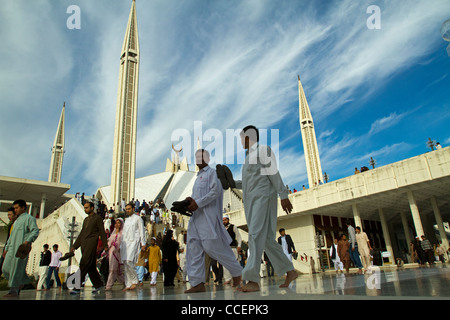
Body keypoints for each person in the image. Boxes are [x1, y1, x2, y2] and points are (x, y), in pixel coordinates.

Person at [234, 126, 297, 292]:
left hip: (263, 199)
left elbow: (273, 173)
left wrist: (283, 195)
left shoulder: (263, 151)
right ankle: (289, 270)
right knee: (267, 239)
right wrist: (231, 183)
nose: (241, 141)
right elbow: (248, 183)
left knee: (254, 235)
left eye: (242, 138)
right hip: (252, 202)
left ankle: (252, 280)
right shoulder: (248, 159)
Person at [184, 149, 243, 293]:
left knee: (211, 247)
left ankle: (237, 271)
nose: (199, 158)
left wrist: (197, 203)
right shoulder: (197, 178)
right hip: (195, 218)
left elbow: (215, 192)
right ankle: (197, 282)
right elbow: (196, 197)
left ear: (208, 159)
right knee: (194, 249)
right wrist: (188, 202)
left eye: (202, 156)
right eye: (197, 156)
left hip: (207, 218)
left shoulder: (212, 173)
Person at [2, 199, 40, 297]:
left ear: (23, 208)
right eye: (14, 208)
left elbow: (35, 231)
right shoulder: (17, 220)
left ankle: (14, 291)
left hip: (21, 249)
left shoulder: (29, 218)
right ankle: (21, 282)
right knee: (5, 268)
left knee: (16, 269)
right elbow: (11, 236)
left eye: (17, 208)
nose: (15, 210)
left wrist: (28, 241)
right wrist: (6, 248)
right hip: (11, 249)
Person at [70, 201, 108, 294]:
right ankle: (99, 285)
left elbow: (102, 232)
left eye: (87, 207)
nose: (85, 209)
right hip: (84, 244)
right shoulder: (86, 220)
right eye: (84, 208)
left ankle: (77, 286)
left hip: (91, 244)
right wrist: (75, 246)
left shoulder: (98, 218)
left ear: (92, 208)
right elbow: (82, 234)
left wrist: (105, 245)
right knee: (90, 267)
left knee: (83, 263)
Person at [120, 202, 146, 291]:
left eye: (129, 209)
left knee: (129, 261)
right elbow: (123, 233)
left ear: (133, 209)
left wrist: (143, 243)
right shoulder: (126, 220)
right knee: (125, 262)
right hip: (125, 243)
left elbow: (142, 231)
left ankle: (135, 281)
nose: (127, 211)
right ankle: (128, 283)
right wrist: (121, 244)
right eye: (126, 209)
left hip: (134, 242)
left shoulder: (138, 218)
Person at [222, 216, 242, 285]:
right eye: (223, 220)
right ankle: (228, 279)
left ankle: (238, 276)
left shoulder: (233, 227)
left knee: (236, 262)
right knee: (225, 264)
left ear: (228, 220)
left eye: (225, 220)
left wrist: (239, 245)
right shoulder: (221, 229)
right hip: (225, 248)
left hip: (233, 247)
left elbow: (238, 237)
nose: (224, 221)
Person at [105, 218, 124, 290]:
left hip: (118, 253)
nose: (117, 224)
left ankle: (108, 285)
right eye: (116, 223)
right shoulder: (113, 234)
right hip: (111, 253)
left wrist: (119, 247)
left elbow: (123, 243)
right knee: (113, 269)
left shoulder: (122, 234)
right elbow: (109, 243)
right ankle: (123, 282)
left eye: (119, 223)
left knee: (114, 269)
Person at [0, 207, 17, 278]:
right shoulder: (11, 225)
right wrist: (5, 249)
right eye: (8, 215)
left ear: (15, 215)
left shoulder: (18, 225)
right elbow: (8, 238)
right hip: (7, 250)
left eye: (10, 215)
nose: (9, 216)